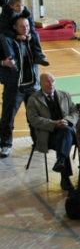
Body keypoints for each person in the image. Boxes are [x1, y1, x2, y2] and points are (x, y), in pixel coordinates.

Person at [26, 73, 78, 190]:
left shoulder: (65, 95)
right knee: (65, 139)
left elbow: (75, 112)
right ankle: (65, 177)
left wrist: (66, 120)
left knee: (68, 131)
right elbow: (33, 119)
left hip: (67, 132)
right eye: (47, 82)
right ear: (40, 84)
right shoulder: (33, 100)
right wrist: (54, 124)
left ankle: (61, 161)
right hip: (48, 136)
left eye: (53, 81)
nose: (51, 84)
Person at [0, 16, 40, 158]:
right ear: (15, 27)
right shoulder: (7, 41)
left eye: (27, 26)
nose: (26, 29)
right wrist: (4, 63)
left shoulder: (32, 38)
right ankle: (5, 144)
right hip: (14, 86)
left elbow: (38, 54)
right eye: (22, 26)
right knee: (8, 117)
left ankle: (37, 142)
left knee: (34, 116)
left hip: (31, 85)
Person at [0, 0, 48, 65]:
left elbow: (31, 24)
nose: (20, 8)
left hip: (22, 30)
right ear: (11, 6)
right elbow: (4, 29)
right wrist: (16, 36)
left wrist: (30, 33)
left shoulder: (25, 12)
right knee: (4, 37)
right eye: (18, 6)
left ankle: (38, 55)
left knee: (35, 34)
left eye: (22, 5)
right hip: (11, 32)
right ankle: (11, 59)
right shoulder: (5, 15)